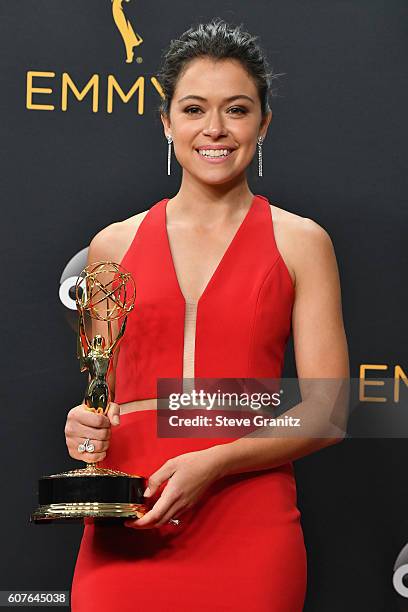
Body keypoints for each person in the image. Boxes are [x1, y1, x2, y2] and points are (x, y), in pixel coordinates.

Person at [68, 18, 349, 611]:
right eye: (194, 109)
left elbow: (328, 408)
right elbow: (102, 395)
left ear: (263, 123)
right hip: (131, 519)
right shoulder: (110, 247)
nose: (215, 129)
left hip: (249, 522)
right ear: (166, 121)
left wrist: (215, 462)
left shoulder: (301, 242)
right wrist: (85, 427)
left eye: (237, 110)